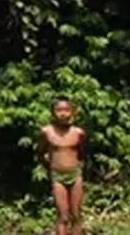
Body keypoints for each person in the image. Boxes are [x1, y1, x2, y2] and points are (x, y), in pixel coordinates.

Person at [42, 98, 86, 235]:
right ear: (52, 113)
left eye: (66, 110)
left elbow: (82, 153)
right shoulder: (46, 132)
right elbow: (41, 152)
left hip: (75, 175)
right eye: (59, 110)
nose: (63, 114)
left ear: (73, 112)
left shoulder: (78, 133)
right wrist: (49, 166)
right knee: (63, 216)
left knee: (76, 215)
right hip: (57, 176)